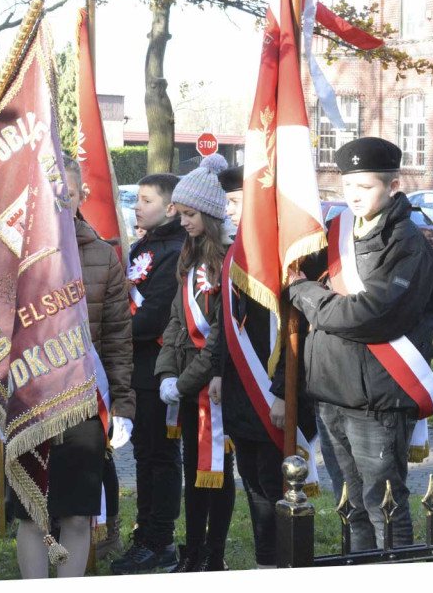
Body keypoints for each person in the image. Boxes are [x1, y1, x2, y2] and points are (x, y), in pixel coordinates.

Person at [284, 137, 433, 551]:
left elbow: (370, 315)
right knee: (349, 506)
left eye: (365, 186)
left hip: (378, 399)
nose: (354, 195)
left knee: (383, 505)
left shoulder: (408, 242)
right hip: (330, 393)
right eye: (348, 185)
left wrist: (304, 294)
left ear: (392, 186)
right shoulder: (333, 233)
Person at [14, 156, 135, 578]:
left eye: (67, 191)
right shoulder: (14, 256)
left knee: (78, 516)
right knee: (32, 514)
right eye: (49, 191)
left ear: (81, 194)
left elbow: (119, 338)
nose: (58, 199)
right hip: (29, 400)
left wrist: (123, 404)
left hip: (85, 402)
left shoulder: (104, 255)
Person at [215, 165, 316, 568]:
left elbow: (293, 331)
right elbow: (227, 322)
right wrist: (219, 372)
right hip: (240, 389)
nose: (230, 210)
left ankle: (284, 563)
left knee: (275, 481)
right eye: (228, 202)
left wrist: (280, 391)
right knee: (253, 482)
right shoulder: (237, 250)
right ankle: (265, 563)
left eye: (237, 202)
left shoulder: (284, 252)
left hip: (272, 391)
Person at [155, 154, 235, 572]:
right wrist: (167, 373)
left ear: (210, 213)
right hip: (185, 380)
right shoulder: (188, 257)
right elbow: (175, 320)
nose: (183, 221)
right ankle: (192, 548)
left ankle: (213, 553)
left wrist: (184, 381)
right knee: (193, 471)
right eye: (181, 213)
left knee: (217, 472)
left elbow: (220, 333)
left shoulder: (228, 259)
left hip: (214, 381)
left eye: (190, 214)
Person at [111, 172, 185, 574]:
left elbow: (154, 316)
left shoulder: (174, 249)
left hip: (159, 371)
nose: (136, 206)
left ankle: (161, 541)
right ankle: (146, 534)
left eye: (145, 200)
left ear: (170, 207)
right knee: (144, 456)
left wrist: (109, 329)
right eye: (136, 199)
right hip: (135, 370)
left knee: (161, 456)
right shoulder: (145, 243)